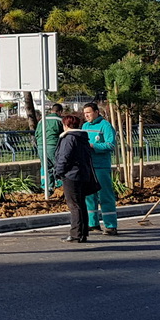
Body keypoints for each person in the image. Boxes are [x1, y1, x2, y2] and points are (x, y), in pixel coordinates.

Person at [54, 114, 100, 243]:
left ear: (66, 125)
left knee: (74, 205)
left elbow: (64, 157)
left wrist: (59, 172)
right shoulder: (82, 138)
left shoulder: (68, 138)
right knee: (81, 204)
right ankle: (83, 232)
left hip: (71, 175)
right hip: (82, 174)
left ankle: (76, 234)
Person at [82, 102, 119, 235]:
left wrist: (94, 146)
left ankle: (110, 225)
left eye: (89, 112)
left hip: (101, 166)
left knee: (105, 195)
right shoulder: (85, 126)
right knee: (89, 196)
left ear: (96, 112)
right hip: (88, 166)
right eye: (85, 113)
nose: (87, 115)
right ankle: (93, 223)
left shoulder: (106, 126)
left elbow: (110, 145)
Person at [34, 103, 64, 191]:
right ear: (60, 111)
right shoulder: (60, 120)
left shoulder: (41, 120)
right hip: (53, 145)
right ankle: (59, 186)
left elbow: (36, 134)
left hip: (41, 146)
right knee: (58, 166)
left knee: (46, 167)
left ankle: (47, 188)